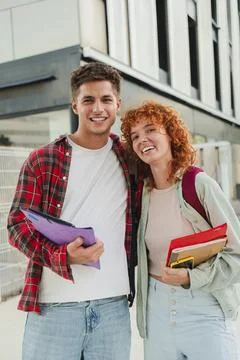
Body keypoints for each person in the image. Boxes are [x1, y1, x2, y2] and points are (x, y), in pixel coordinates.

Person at [7, 62, 136, 360]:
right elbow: (16, 226)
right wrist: (61, 256)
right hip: (54, 308)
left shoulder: (131, 160)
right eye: (88, 99)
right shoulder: (43, 159)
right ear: (75, 104)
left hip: (112, 308)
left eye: (106, 99)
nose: (98, 108)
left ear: (117, 104)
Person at [121, 100, 240, 360]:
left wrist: (190, 279)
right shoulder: (142, 193)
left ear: (171, 134)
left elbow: (237, 256)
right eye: (135, 136)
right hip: (156, 311)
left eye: (151, 129)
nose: (143, 139)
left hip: (204, 307)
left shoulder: (199, 184)